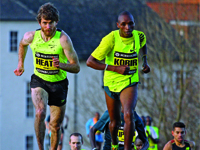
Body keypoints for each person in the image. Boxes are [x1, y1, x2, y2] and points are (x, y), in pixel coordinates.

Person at [14, 2, 80, 150]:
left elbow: (76, 67)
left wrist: (61, 65)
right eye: (45, 23)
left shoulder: (63, 39)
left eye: (51, 23)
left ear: (57, 22)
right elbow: (22, 44)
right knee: (40, 111)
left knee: (55, 126)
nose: (48, 27)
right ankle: (40, 148)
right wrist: (20, 64)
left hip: (59, 84)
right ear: (39, 22)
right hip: (40, 80)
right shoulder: (31, 36)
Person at [86, 10, 150, 150]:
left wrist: (145, 62)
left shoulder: (139, 36)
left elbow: (143, 44)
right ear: (118, 25)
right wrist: (115, 68)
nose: (128, 27)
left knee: (128, 113)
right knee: (114, 122)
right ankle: (114, 144)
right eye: (124, 24)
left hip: (130, 81)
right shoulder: (110, 39)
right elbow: (90, 62)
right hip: (111, 83)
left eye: (131, 24)